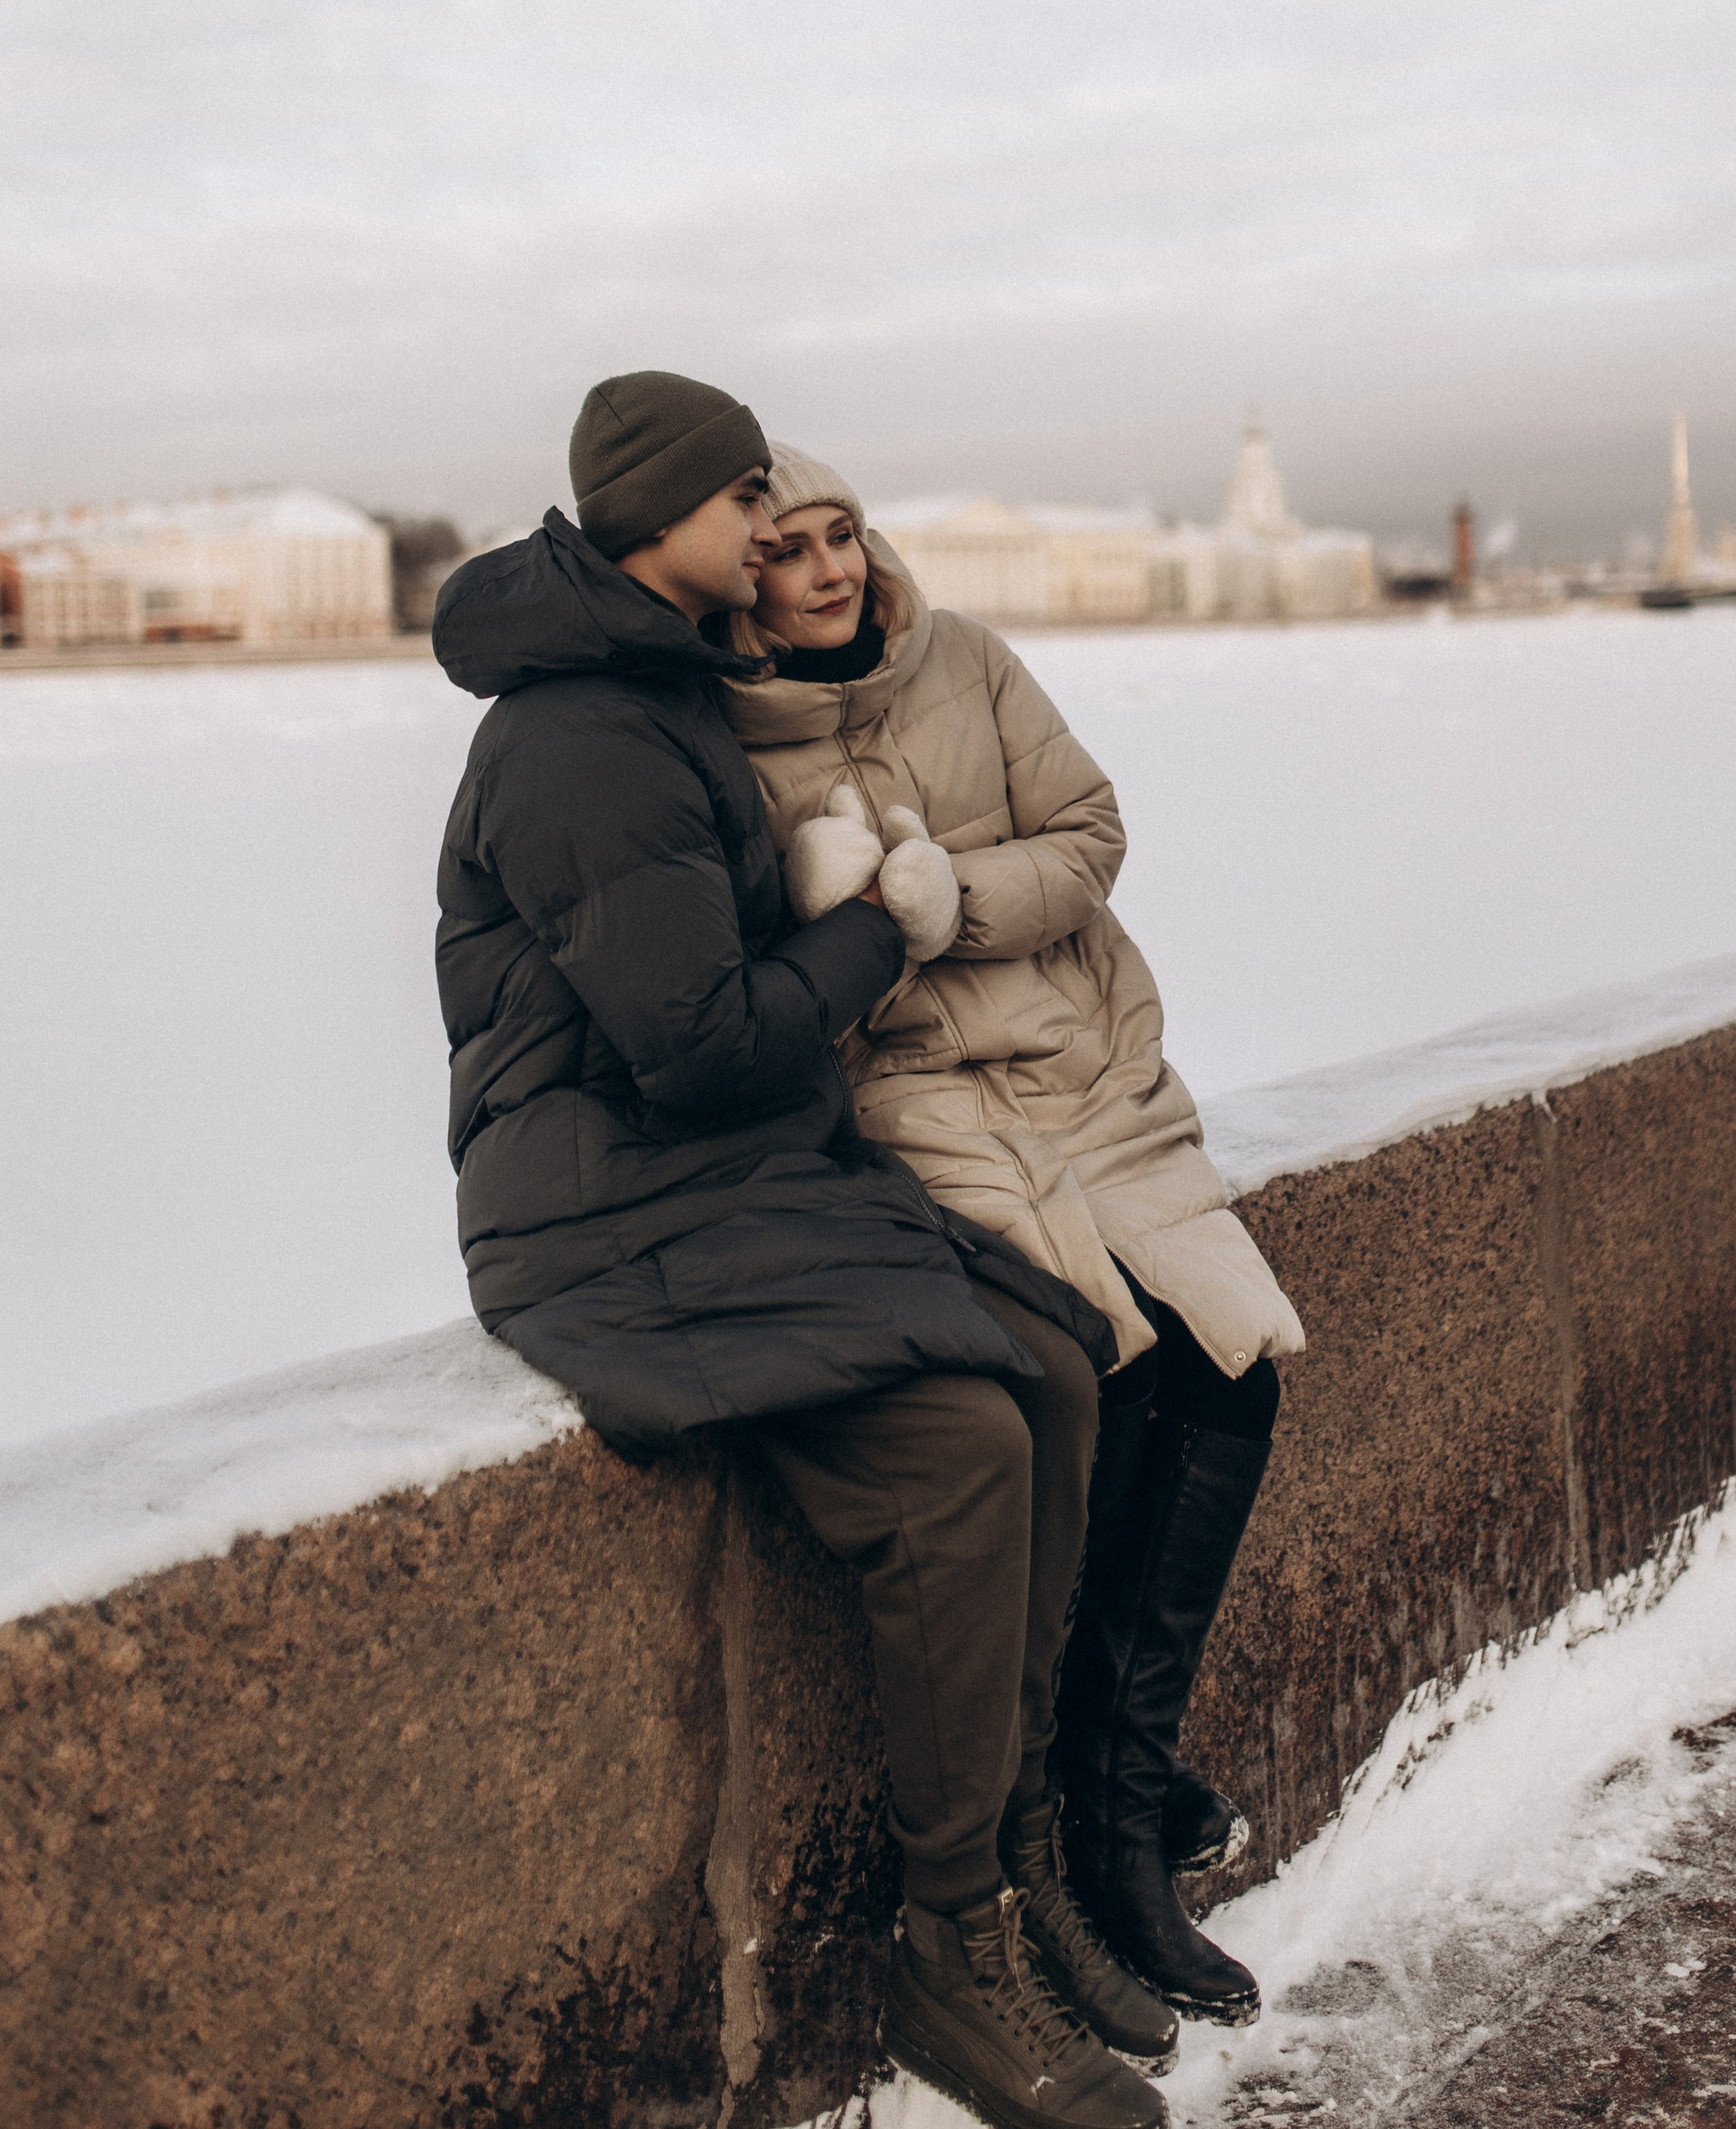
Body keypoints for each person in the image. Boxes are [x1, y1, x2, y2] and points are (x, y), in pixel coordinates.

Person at [433, 370, 1175, 2129]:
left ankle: (1008, 1855)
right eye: (741, 491)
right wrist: (874, 928)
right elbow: (697, 1046)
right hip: (608, 1212)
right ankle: (943, 1944)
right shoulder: (585, 740)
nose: (771, 518)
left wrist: (828, 896)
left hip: (734, 1176)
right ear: (663, 521)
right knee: (959, 1446)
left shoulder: (653, 682)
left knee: (1062, 1364)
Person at [721, 444, 1307, 2028]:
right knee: (1092, 1391)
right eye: (786, 549)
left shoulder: (963, 660)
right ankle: (1083, 1821)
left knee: (1231, 1371)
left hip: (1085, 1077)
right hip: (925, 1114)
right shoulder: (720, 740)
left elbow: (1090, 830)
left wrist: (942, 899)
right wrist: (851, 929)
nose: (830, 569)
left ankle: (1121, 1783)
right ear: (738, 576)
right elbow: (756, 995)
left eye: (843, 534)